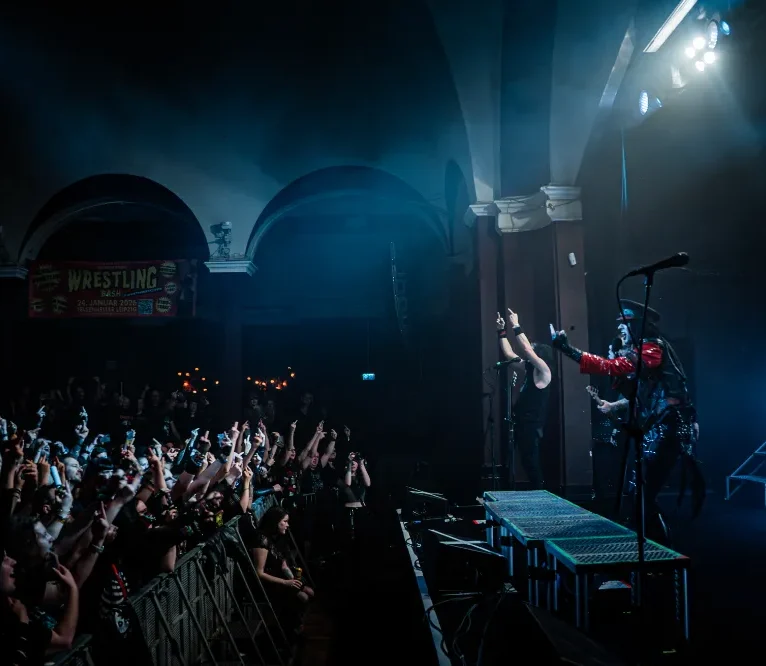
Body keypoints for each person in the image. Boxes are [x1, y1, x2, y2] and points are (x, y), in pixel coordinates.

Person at [551, 299, 704, 543]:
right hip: (658, 427)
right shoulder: (642, 351)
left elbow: (613, 367)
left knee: (642, 493)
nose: (620, 329)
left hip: (669, 427)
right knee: (638, 492)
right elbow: (639, 392)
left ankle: (658, 548)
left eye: (625, 324)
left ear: (637, 326)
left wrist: (569, 350)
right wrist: (614, 405)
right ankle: (651, 544)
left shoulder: (652, 348)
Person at [496, 308, 553, 489]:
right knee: (521, 460)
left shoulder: (544, 370)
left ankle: (541, 493)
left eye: (534, 350)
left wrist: (516, 324)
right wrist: (501, 331)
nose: (531, 350)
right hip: (520, 422)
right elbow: (509, 355)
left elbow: (527, 350)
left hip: (532, 425)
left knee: (531, 461)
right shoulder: (529, 368)